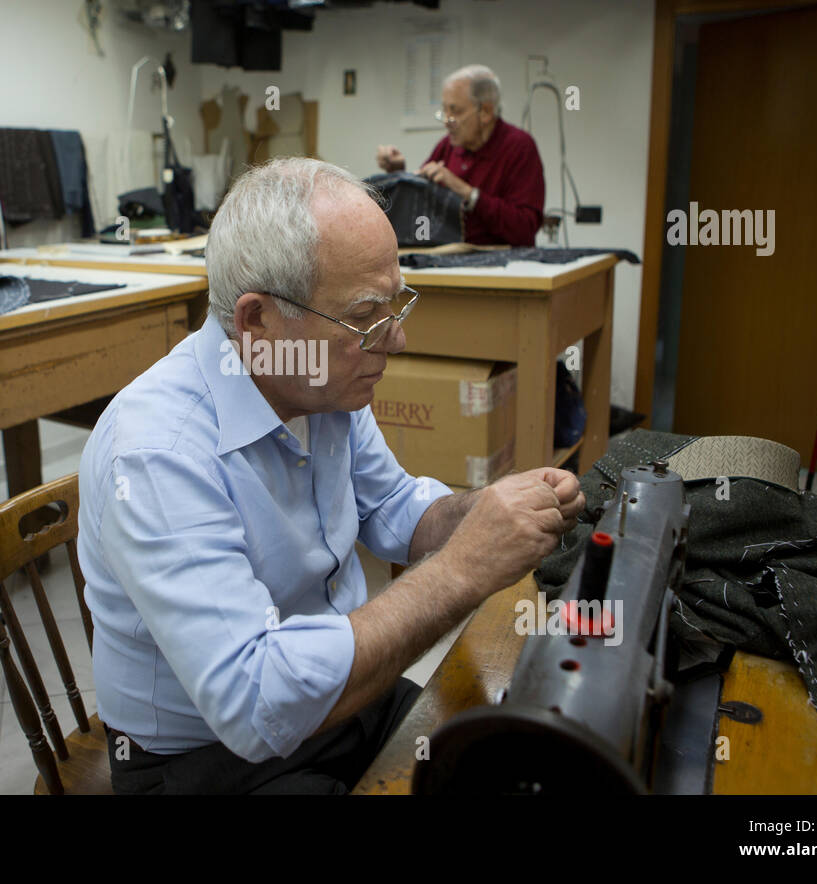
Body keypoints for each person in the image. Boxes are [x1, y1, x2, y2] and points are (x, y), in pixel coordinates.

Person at [78, 157, 583, 793]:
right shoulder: (158, 453)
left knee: (496, 759)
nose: (394, 340)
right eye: (367, 316)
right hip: (204, 758)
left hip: (332, 703)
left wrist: (486, 512)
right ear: (258, 322)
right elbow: (256, 703)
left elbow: (395, 508)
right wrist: (463, 570)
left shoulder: (316, 385)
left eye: (398, 304)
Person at [376, 64, 545, 246]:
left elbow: (525, 229)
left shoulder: (519, 147)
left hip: (503, 263)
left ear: (486, 112)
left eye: (455, 111)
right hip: (450, 258)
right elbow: (423, 202)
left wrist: (466, 193)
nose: (447, 122)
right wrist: (399, 173)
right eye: (444, 111)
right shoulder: (447, 146)